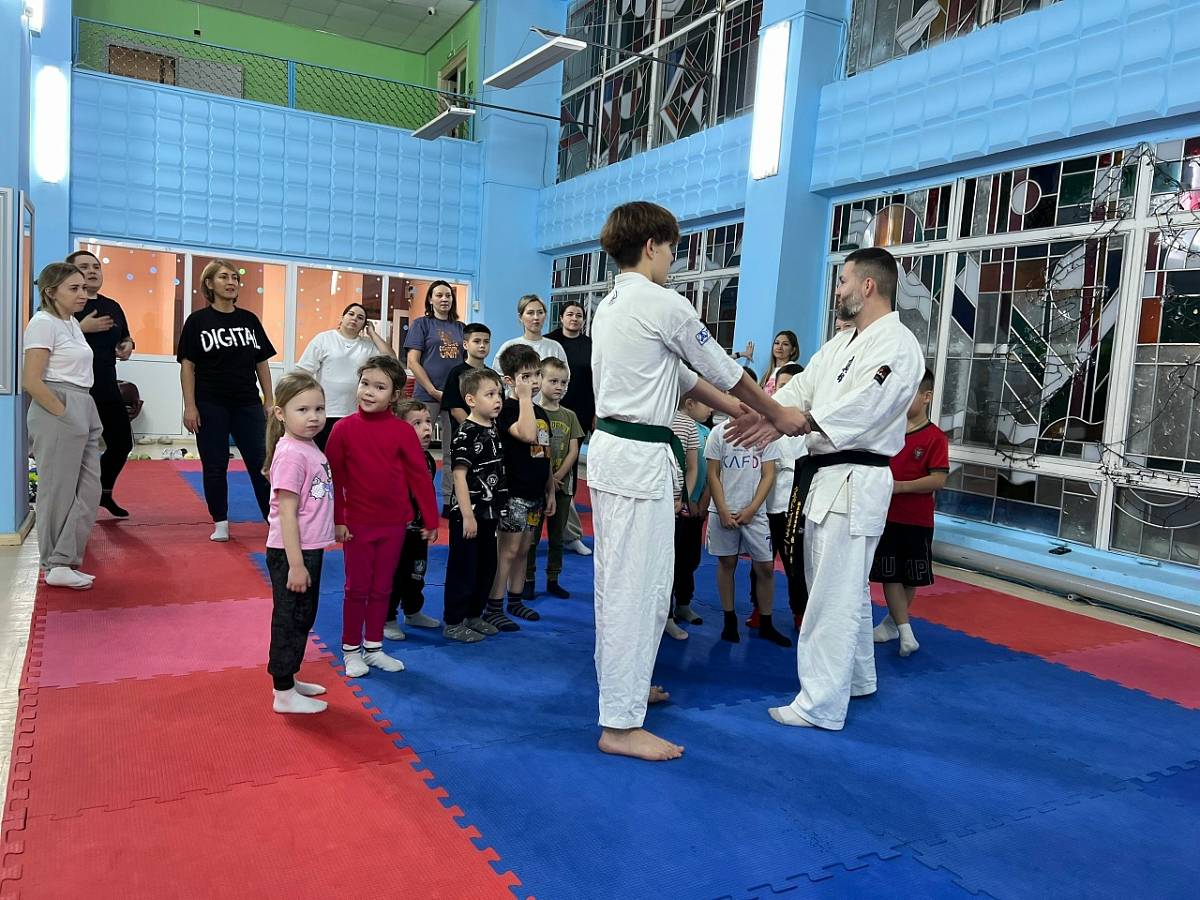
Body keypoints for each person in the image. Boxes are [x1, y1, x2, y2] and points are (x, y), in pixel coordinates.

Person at [588, 201, 805, 762]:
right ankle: (619, 724)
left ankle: (625, 690)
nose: (673, 260)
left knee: (627, 583)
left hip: (619, 455)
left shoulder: (612, 304)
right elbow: (724, 369)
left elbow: (685, 377)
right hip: (636, 458)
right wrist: (775, 412)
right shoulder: (662, 302)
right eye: (672, 249)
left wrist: (740, 412)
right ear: (652, 245)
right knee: (637, 588)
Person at [752, 246, 925, 731]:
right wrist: (764, 410)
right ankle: (857, 678)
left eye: (844, 280)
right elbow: (801, 388)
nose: (839, 290)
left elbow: (868, 404)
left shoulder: (898, 345)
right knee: (843, 590)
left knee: (832, 595)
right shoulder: (843, 342)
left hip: (855, 478)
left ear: (867, 285)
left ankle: (820, 705)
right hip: (827, 476)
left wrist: (802, 422)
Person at [326, 356, 439, 678]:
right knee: (356, 588)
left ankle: (374, 648)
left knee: (382, 588)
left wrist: (431, 519)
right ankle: (351, 650)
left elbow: (419, 477)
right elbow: (334, 478)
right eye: (365, 384)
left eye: (379, 387)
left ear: (394, 395)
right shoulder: (343, 429)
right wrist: (338, 519)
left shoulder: (402, 432)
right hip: (357, 524)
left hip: (393, 524)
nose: (369, 392)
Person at [177, 259, 276, 542]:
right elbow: (187, 366)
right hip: (210, 403)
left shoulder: (249, 320)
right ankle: (220, 521)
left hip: (247, 402)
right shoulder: (197, 321)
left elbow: (262, 362)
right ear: (209, 283)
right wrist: (190, 405)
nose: (231, 282)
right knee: (215, 463)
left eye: (235, 278)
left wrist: (269, 399)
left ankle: (274, 520)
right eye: (224, 277)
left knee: (262, 462)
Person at [23, 263, 104, 590]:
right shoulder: (42, 323)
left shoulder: (70, 323)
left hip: (82, 401)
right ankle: (55, 564)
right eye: (74, 288)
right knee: (57, 490)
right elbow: (31, 380)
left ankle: (66, 556)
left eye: (83, 287)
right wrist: (63, 414)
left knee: (89, 488)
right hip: (57, 404)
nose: (83, 294)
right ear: (51, 292)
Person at [263, 371, 334, 714]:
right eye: (302, 410)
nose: (313, 417)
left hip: (307, 548)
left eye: (319, 409)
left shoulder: (307, 445)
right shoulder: (291, 453)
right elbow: (287, 514)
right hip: (291, 551)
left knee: (303, 617)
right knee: (289, 619)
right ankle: (283, 692)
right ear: (281, 413)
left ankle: (289, 678)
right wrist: (295, 564)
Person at [871, 369, 949, 657]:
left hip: (917, 519)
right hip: (886, 516)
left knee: (910, 577)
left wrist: (901, 487)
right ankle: (905, 631)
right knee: (889, 574)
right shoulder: (888, 433)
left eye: (910, 393)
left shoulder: (935, 438)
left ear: (926, 397)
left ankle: (893, 624)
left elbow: (938, 480)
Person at [485, 344, 555, 631]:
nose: (534, 381)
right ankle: (494, 605)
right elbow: (526, 434)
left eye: (537, 374)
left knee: (525, 549)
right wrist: (524, 397)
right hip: (512, 493)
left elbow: (543, 452)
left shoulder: (540, 412)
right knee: (508, 551)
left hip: (534, 493)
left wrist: (550, 490)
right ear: (510, 380)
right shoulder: (507, 410)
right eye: (526, 376)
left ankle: (515, 600)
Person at [705, 419, 791, 647]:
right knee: (727, 563)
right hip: (723, 510)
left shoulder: (764, 434)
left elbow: (768, 474)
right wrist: (722, 509)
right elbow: (713, 473)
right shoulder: (718, 432)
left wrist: (752, 508)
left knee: (766, 567)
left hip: (755, 512)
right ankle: (729, 620)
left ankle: (766, 621)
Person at [67, 251, 135, 519]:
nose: (92, 271)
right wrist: (81, 328)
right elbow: (49, 341)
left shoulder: (112, 306)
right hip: (74, 389)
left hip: (106, 385)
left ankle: (103, 492)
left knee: (122, 443)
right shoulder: (64, 306)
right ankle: (72, 504)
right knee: (77, 451)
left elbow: (125, 337)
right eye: (84, 267)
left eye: (96, 266)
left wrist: (127, 345)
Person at [442, 368, 508, 643]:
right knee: (464, 568)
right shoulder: (466, 433)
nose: (497, 400)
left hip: (490, 512)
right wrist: (467, 515)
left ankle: (473, 614)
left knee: (486, 566)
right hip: (468, 514)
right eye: (489, 394)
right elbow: (459, 475)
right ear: (471, 400)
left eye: (499, 394)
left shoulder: (493, 428)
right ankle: (454, 621)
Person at [748, 363, 809, 631]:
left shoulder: (808, 427)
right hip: (765, 503)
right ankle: (759, 608)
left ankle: (800, 612)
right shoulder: (766, 425)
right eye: (781, 387)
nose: (785, 393)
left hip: (794, 506)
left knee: (795, 563)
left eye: (790, 387)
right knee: (761, 562)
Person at [523, 357, 584, 601]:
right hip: (538, 486)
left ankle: (553, 579)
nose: (559, 387)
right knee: (532, 537)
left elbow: (573, 450)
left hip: (563, 487)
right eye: (554, 381)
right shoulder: (533, 413)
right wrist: (548, 478)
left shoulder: (570, 416)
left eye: (564, 382)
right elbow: (537, 450)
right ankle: (528, 579)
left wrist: (558, 476)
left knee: (557, 537)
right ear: (541, 380)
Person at [296, 302, 395, 451]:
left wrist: (373, 334)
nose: (355, 318)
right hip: (326, 411)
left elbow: (391, 359)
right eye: (351, 314)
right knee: (322, 455)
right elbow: (303, 372)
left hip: (355, 412)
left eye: (360, 317)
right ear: (342, 318)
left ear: (364, 325)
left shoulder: (368, 345)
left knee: (350, 455)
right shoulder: (324, 339)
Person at [384, 400, 444, 641]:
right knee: (394, 575)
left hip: (418, 530)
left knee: (417, 572)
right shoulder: (393, 459)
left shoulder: (427, 459)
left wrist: (431, 522)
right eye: (417, 423)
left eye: (428, 421)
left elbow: (427, 494)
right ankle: (387, 618)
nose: (426, 428)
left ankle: (413, 610)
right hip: (395, 531)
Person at [404, 281, 464, 509]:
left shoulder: (461, 328)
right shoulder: (421, 324)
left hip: (454, 397)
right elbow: (413, 362)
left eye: (448, 295)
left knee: (452, 451)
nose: (444, 299)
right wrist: (432, 389)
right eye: (439, 295)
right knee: (416, 449)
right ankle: (414, 500)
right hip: (426, 395)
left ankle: (449, 500)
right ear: (430, 299)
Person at [547, 299, 594, 557]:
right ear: (562, 317)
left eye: (579, 315)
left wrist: (596, 412)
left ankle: (570, 532)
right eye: (570, 314)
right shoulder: (551, 343)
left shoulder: (590, 345)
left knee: (569, 468)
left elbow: (597, 380)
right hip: (550, 411)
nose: (574, 319)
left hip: (581, 411)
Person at [671, 395, 712, 628]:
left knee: (690, 557)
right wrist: (683, 499)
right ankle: (665, 608)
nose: (711, 408)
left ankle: (684, 602)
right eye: (706, 402)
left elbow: (707, 469)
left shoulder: (707, 433)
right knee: (673, 557)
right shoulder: (674, 423)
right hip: (678, 504)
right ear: (689, 403)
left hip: (696, 505)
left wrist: (703, 499)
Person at [664, 399, 701, 641]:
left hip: (675, 505)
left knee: (674, 561)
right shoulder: (651, 415)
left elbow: (692, 467)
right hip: (651, 498)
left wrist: (682, 497)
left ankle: (669, 615)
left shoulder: (688, 425)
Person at [439, 322, 491, 441]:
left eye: (486, 342)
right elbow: (455, 409)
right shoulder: (456, 373)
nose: (482, 345)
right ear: (465, 344)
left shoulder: (492, 375)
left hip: (489, 435)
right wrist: (476, 431)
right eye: (477, 341)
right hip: (464, 436)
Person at [492, 295, 567, 370]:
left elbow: (564, 374)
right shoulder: (509, 347)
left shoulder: (555, 347)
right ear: (520, 317)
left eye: (540, 312)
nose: (536, 317)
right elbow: (497, 375)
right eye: (530, 313)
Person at [760, 330, 800, 396]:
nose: (779, 347)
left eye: (785, 344)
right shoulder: (769, 371)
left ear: (793, 350)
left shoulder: (793, 369)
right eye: (777, 343)